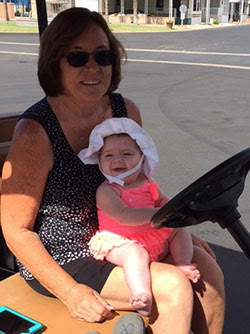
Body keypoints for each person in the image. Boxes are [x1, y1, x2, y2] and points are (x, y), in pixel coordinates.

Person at [0, 7, 225, 333]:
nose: (92, 67)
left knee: (208, 271)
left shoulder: (124, 112)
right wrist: (69, 291)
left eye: (102, 56)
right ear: (54, 63)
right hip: (67, 254)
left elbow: (140, 184)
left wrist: (176, 230)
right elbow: (15, 230)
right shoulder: (36, 132)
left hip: (128, 235)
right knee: (174, 286)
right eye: (77, 58)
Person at [78, 117, 201, 316]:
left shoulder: (146, 181)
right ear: (99, 162)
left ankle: (182, 262)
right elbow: (124, 215)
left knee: (179, 229)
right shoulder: (107, 190)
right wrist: (158, 214)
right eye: (108, 155)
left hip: (152, 234)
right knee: (135, 255)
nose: (117, 160)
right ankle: (141, 294)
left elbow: (163, 200)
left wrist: (177, 208)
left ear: (142, 158)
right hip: (121, 242)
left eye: (126, 154)